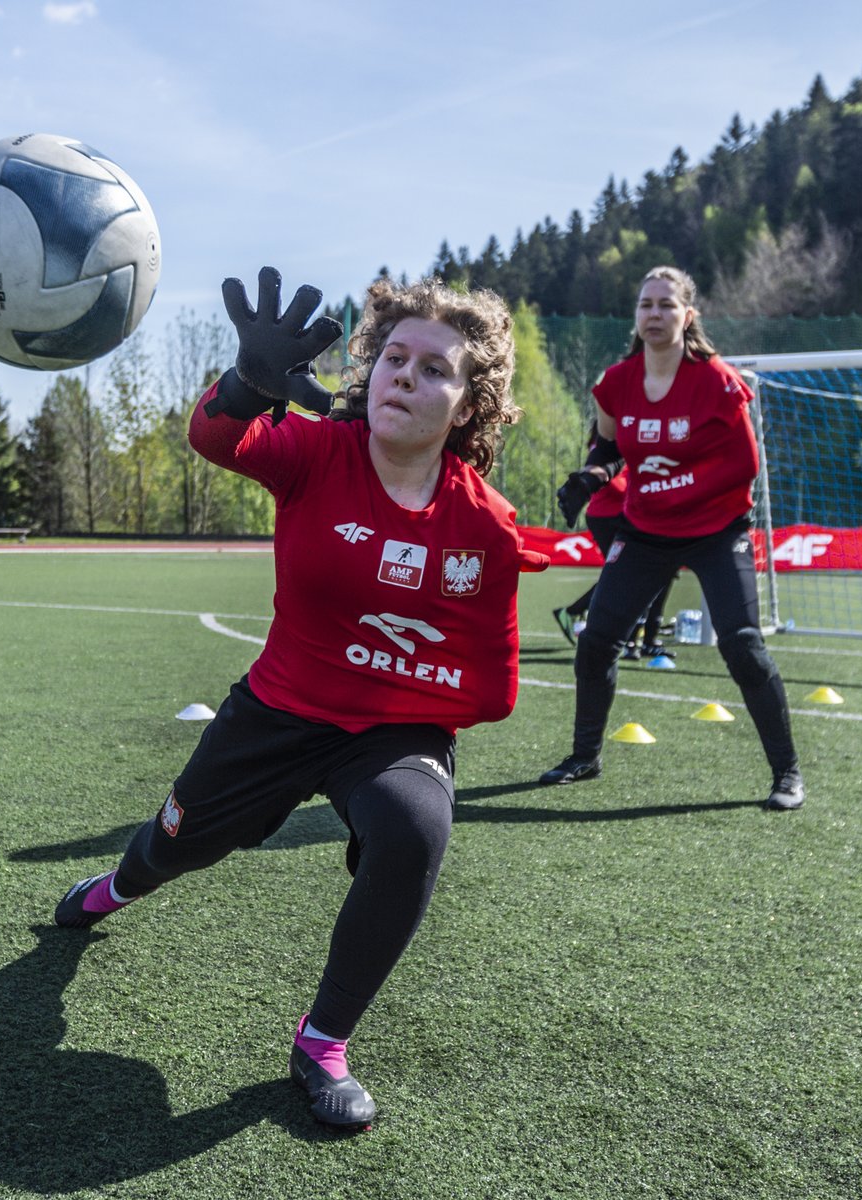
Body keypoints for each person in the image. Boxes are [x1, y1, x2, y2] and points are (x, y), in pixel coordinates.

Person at [54, 267, 548, 1131]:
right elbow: (216, 438)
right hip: (274, 715)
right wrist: (246, 383)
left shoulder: (487, 524)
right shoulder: (318, 451)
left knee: (415, 827)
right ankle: (121, 885)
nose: (406, 374)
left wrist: (407, 705)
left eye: (436, 368)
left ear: (471, 404)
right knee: (174, 848)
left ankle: (322, 1042)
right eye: (395, 356)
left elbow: (491, 684)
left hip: (392, 733)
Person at [539, 265, 804, 810]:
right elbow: (609, 449)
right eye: (645, 305)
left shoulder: (717, 381)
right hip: (646, 530)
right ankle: (585, 756)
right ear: (636, 316)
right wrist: (590, 478)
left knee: (742, 645)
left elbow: (743, 467)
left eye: (666, 304)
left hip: (717, 530)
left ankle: (787, 773)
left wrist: (671, 484)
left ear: (688, 315)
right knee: (596, 641)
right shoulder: (616, 383)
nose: (654, 314)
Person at [552, 425, 677, 660]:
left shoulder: (632, 436)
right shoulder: (604, 444)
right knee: (627, 575)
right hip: (607, 517)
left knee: (647, 574)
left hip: (627, 516)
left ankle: (643, 638)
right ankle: (587, 620)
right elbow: (612, 483)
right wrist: (643, 485)